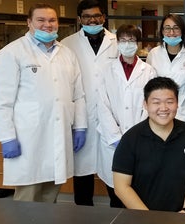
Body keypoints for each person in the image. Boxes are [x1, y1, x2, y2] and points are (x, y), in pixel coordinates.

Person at [0, 3, 87, 202]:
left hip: (60, 135)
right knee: (28, 198)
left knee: (51, 195)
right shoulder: (11, 53)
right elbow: (1, 101)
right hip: (28, 139)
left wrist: (80, 126)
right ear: (29, 22)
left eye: (52, 20)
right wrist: (7, 137)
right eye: (41, 20)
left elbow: (78, 95)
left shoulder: (67, 54)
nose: (47, 25)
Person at [112, 77, 185, 213]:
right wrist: (150, 218)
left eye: (169, 102)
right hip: (141, 216)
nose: (163, 108)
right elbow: (121, 186)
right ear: (145, 105)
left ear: (177, 104)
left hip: (181, 215)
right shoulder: (131, 138)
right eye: (156, 102)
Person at [61, 0, 119, 206]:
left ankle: (118, 215)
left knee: (115, 174)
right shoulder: (67, 44)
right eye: (86, 16)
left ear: (104, 17)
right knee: (82, 174)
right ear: (79, 19)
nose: (92, 20)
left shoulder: (117, 42)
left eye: (96, 16)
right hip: (81, 116)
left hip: (111, 117)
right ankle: (83, 215)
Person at [96, 24, 156, 208]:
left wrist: (134, 137)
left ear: (138, 44)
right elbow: (102, 105)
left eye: (132, 40)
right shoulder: (106, 70)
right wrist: (116, 137)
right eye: (123, 40)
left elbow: (149, 106)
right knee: (116, 193)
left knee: (137, 193)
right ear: (118, 43)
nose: (127, 44)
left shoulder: (149, 71)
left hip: (140, 140)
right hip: (111, 141)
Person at [146, 13, 185, 124]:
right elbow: (148, 86)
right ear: (162, 31)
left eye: (176, 28)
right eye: (167, 28)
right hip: (158, 114)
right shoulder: (154, 54)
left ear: (182, 31)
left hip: (183, 116)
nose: (171, 33)